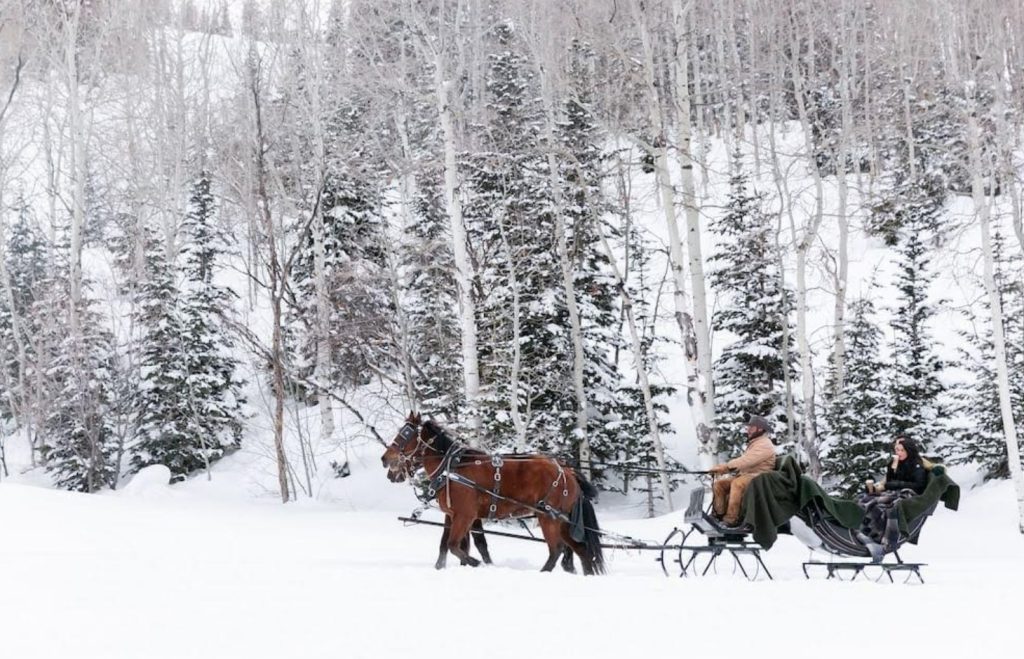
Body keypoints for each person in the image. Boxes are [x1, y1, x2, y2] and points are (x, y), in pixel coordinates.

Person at [856, 436, 929, 562]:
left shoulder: (916, 465)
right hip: (892, 492)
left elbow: (918, 485)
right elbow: (889, 482)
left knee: (878, 503)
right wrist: (892, 470)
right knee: (864, 499)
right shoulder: (895, 463)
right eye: (896, 450)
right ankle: (865, 530)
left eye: (901, 450)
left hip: (907, 495)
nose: (898, 453)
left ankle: (882, 538)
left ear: (908, 450)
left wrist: (895, 485)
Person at [708, 415, 777, 528]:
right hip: (748, 475)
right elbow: (744, 463)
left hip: (760, 477)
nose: (748, 430)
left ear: (760, 429)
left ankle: (731, 520)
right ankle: (718, 515)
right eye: (748, 427)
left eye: (752, 427)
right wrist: (722, 468)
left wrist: (726, 467)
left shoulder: (765, 443)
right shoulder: (755, 443)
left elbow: (747, 461)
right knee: (719, 484)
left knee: (737, 483)